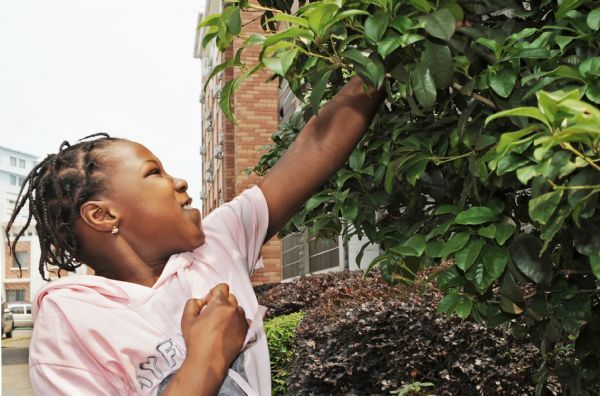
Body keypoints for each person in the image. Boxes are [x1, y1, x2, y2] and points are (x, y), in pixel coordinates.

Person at [6, 75, 385, 395]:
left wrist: (393, 48)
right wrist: (206, 358)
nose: (180, 181)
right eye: (154, 173)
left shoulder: (217, 241)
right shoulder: (71, 324)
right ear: (103, 215)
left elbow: (316, 148)